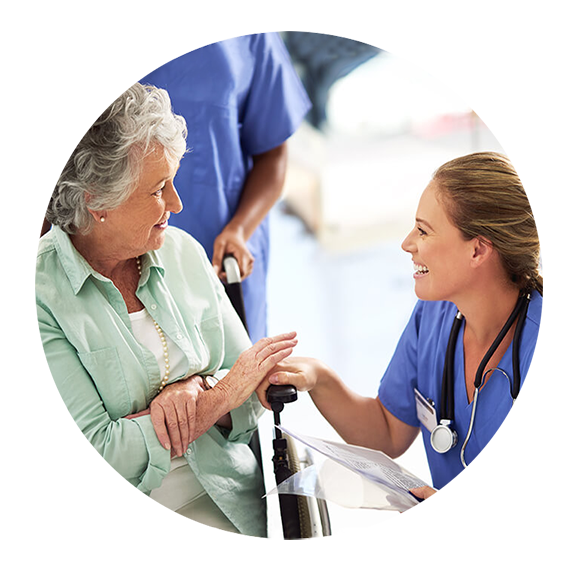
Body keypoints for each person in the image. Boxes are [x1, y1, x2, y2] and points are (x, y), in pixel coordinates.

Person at [35, 83, 298, 539]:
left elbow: (251, 397)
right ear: (97, 198)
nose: (177, 204)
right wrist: (216, 397)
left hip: (235, 505)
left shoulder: (182, 253)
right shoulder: (35, 293)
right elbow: (97, 457)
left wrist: (194, 389)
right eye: (159, 189)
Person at [260, 152, 543, 540]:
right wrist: (319, 379)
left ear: (478, 250)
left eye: (424, 231)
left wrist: (459, 518)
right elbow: (388, 433)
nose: (407, 244)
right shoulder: (434, 318)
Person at [146, 32, 312, 342]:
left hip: (225, 256)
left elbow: (272, 154)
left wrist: (240, 229)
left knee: (236, 378)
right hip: (118, 253)